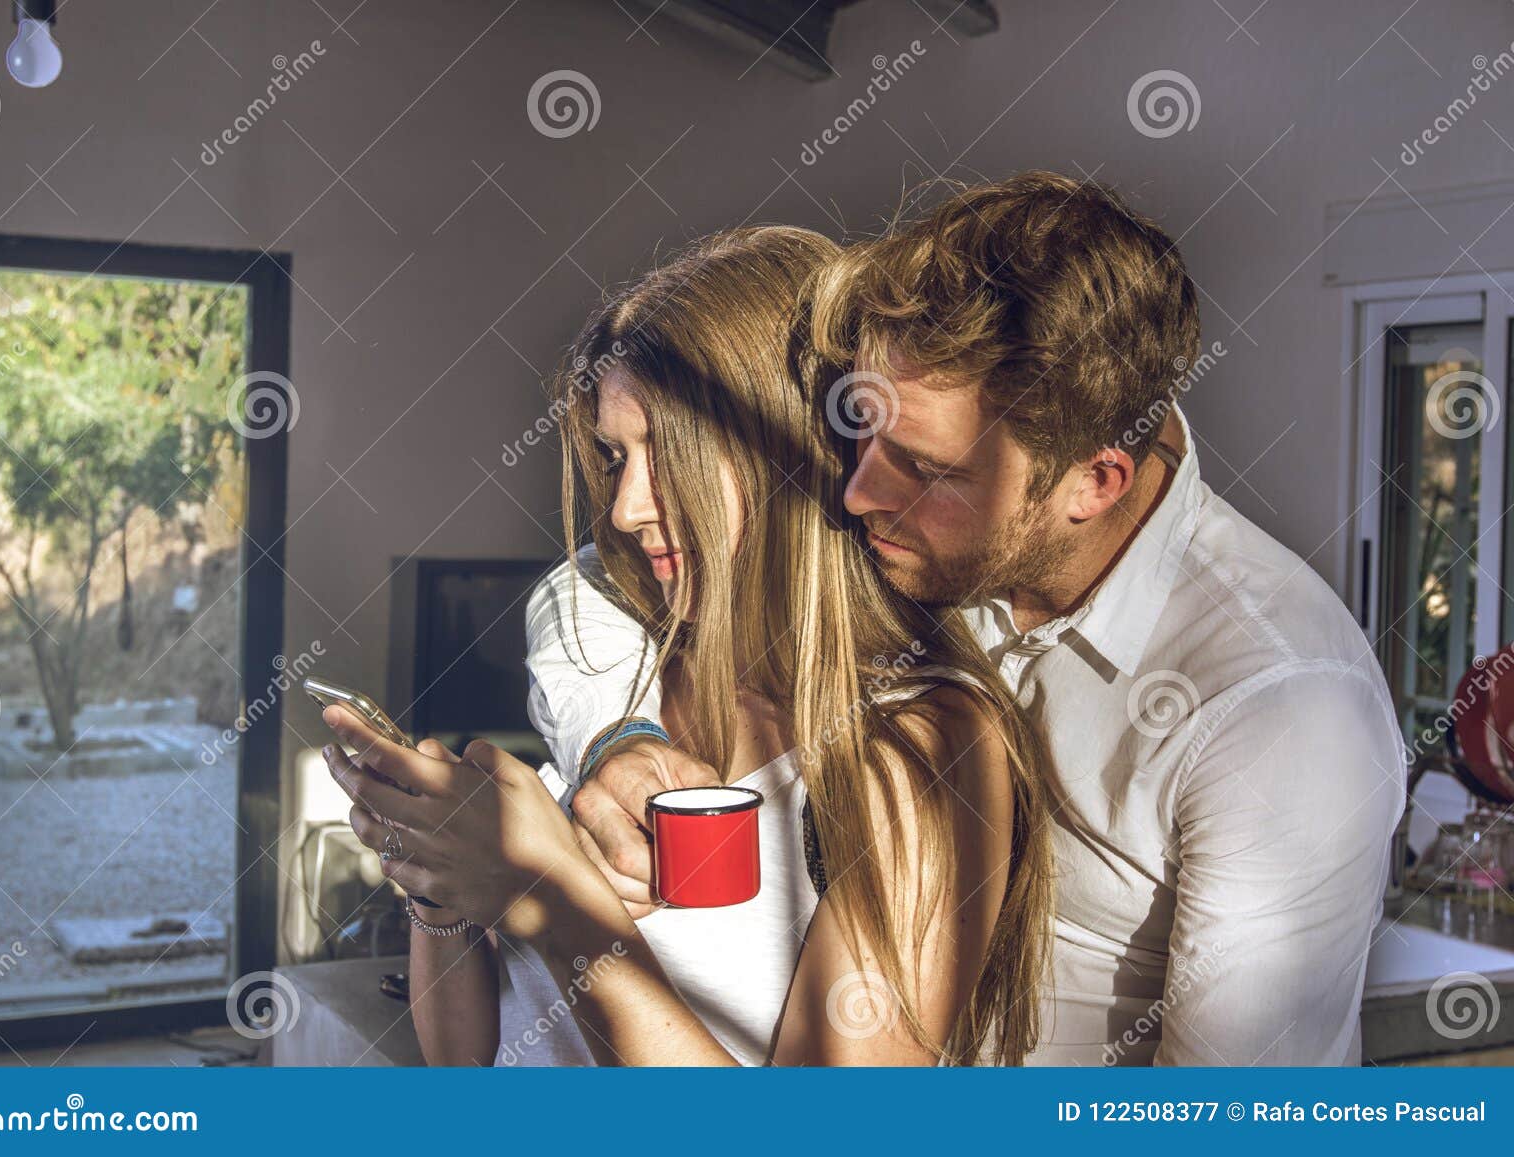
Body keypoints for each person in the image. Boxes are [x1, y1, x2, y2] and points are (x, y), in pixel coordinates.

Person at [531, 171, 1408, 1065]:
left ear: (1092, 482)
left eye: (922, 466)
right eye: (859, 432)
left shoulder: (1281, 708)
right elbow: (593, 585)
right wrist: (615, 738)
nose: (859, 488)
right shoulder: (929, 545)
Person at [321, 226, 1055, 1066]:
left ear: (792, 446)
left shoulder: (922, 743)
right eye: (614, 455)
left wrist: (553, 902)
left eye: (666, 453)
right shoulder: (623, 673)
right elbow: (468, 1055)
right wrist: (439, 880)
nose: (629, 505)